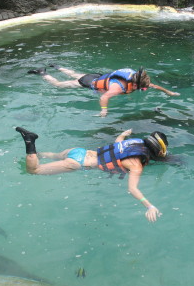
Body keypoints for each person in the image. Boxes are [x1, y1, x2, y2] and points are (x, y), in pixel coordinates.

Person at [16, 126, 169, 222]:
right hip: (78, 163)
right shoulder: (136, 165)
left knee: (54, 155)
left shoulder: (132, 143)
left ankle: (36, 154)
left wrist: (124, 133)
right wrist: (149, 206)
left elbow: (118, 141)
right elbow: (133, 189)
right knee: (33, 171)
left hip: (78, 151)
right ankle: (30, 142)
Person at [27, 65, 180, 117]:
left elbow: (154, 86)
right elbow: (104, 97)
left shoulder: (136, 79)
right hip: (89, 83)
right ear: (135, 85)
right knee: (60, 85)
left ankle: (58, 67)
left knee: (76, 74)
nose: (146, 89)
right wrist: (104, 111)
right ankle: (43, 73)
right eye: (143, 88)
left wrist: (169, 92)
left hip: (98, 77)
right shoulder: (118, 87)